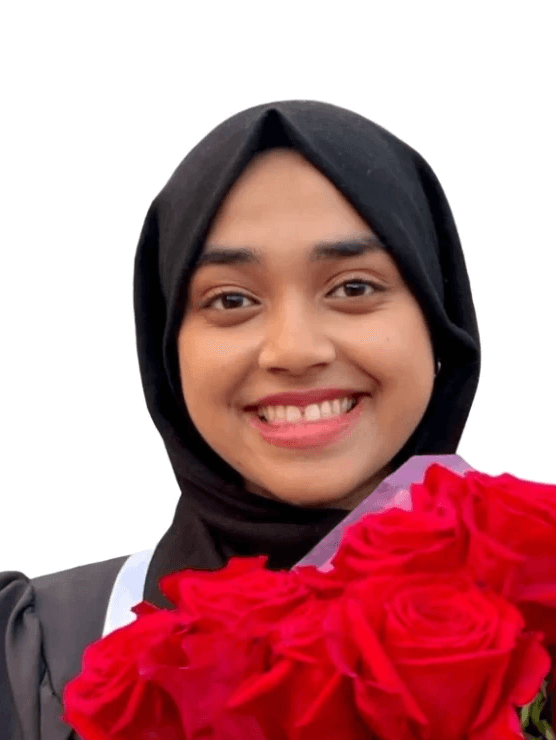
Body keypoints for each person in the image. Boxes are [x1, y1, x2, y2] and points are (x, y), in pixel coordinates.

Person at [0, 100, 480, 740]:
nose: (295, 351)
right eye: (231, 299)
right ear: (167, 347)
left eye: (354, 288)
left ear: (438, 319)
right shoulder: (33, 661)